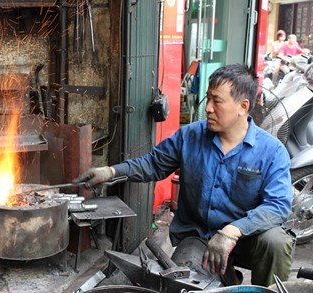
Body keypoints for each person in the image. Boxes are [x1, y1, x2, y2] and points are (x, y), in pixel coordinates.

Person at [75, 64, 294, 287]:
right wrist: (111, 171)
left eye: (217, 101)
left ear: (243, 106)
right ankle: (226, 276)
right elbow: (152, 164)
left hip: (247, 237)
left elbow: (277, 206)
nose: (208, 108)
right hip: (199, 236)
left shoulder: (272, 152)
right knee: (184, 283)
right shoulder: (190, 136)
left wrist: (232, 231)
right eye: (207, 99)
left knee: (276, 242)